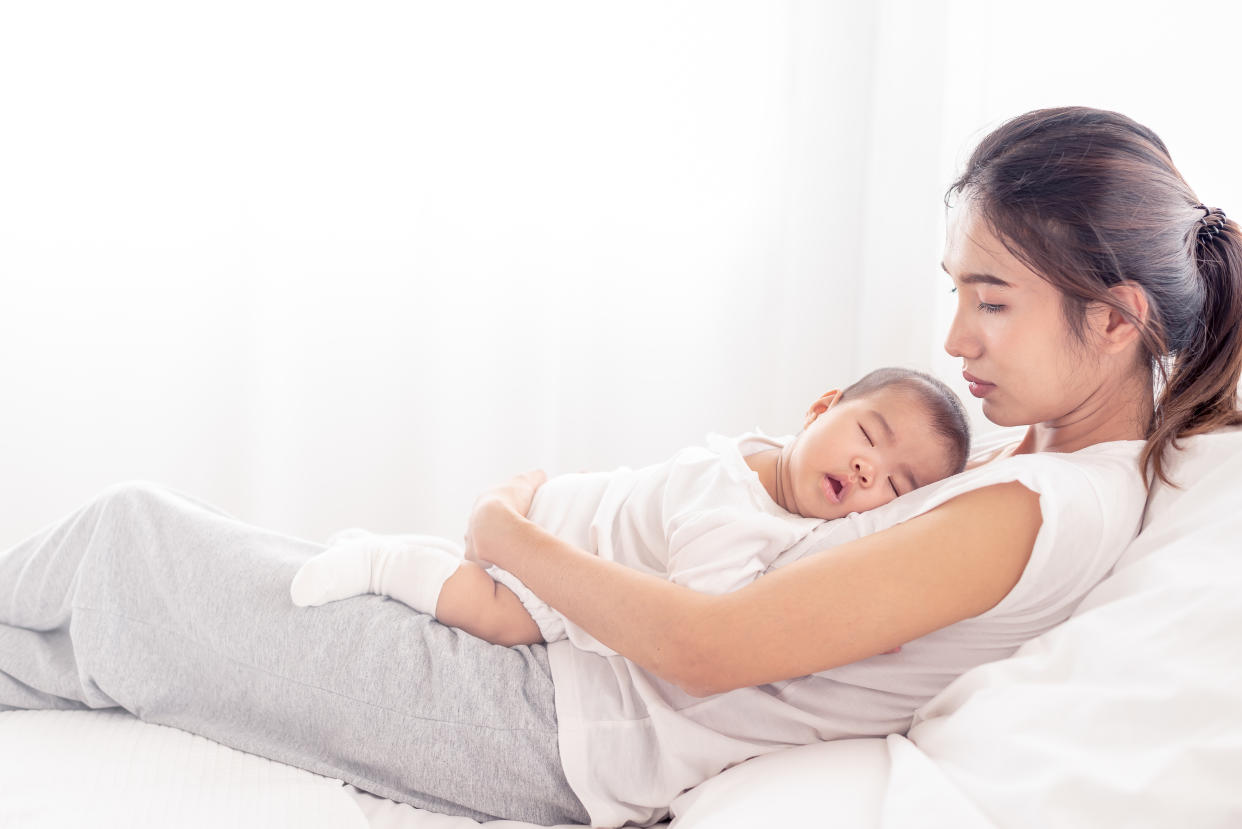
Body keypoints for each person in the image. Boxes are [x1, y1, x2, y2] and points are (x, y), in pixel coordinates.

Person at [1, 106, 1240, 828]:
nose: (957, 340)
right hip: (556, 686)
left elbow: (710, 649)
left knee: (131, 546)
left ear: (1118, 315)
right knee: (133, 585)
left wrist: (510, 533)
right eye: (955, 296)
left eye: (992, 302)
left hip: (552, 724)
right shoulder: (1048, 466)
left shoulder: (1038, 504)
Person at [287, 367, 971, 650]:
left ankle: (384, 546)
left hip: (587, 509)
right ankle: (381, 561)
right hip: (572, 539)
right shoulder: (737, 515)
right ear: (822, 407)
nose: (867, 468)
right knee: (497, 615)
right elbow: (704, 616)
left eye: (897, 485)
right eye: (867, 436)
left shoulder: (764, 454)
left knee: (477, 577)